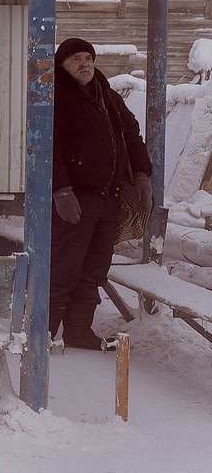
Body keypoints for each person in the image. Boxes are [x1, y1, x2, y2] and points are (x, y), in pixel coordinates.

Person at [51, 38, 153, 350]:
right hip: (75, 200)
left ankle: (79, 331)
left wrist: (141, 173)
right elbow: (49, 146)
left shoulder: (105, 95)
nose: (84, 64)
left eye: (87, 58)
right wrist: (60, 189)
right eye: (75, 59)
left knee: (94, 267)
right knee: (64, 267)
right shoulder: (58, 97)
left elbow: (132, 133)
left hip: (107, 199)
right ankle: (43, 333)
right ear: (62, 65)